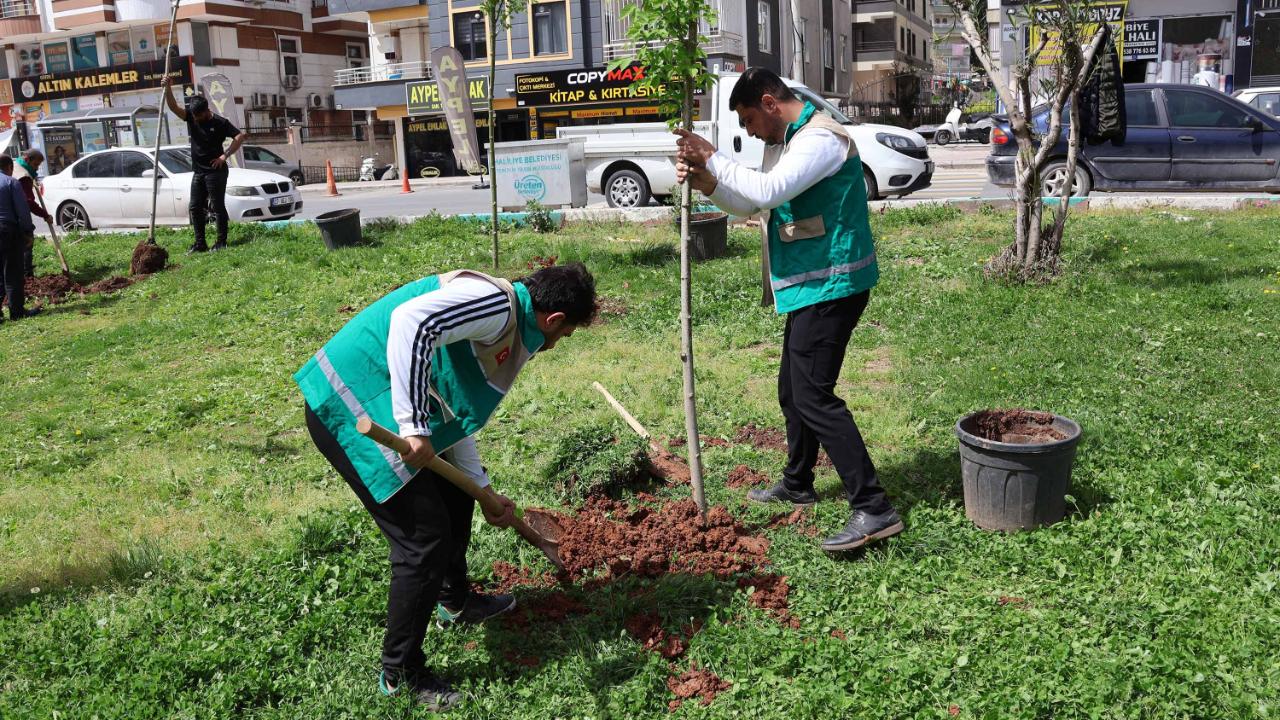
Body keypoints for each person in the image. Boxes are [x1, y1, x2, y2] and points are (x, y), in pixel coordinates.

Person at [295, 263, 597, 711]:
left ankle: (455, 603)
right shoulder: (495, 306)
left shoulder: (503, 317)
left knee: (457, 497)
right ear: (553, 321)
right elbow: (410, 322)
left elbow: (454, 412)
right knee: (424, 541)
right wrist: (413, 424)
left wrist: (482, 488)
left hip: (379, 402)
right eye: (563, 335)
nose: (554, 345)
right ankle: (401, 674)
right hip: (349, 406)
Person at [675, 67, 903, 553]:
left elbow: (765, 192)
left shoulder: (819, 139)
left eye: (750, 119)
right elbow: (752, 202)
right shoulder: (789, 140)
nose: (750, 131)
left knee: (814, 396)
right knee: (792, 391)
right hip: (809, 286)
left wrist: (712, 155)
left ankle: (875, 508)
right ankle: (798, 483)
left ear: (770, 103)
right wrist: (707, 181)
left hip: (833, 284)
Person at [161, 76, 248, 253]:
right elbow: (173, 107)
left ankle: (221, 242)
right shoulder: (193, 118)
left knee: (217, 207)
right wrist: (168, 88)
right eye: (193, 116)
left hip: (216, 172)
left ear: (206, 111)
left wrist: (224, 156)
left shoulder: (220, 122)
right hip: (198, 172)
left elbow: (239, 137)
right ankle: (200, 244)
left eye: (197, 116)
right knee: (195, 206)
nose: (195, 119)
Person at [0, 154, 37, 323]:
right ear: (9, 167)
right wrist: (28, 232)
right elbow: (23, 211)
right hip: (7, 231)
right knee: (13, 273)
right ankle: (16, 311)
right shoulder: (11, 182)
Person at [13, 149, 53, 278]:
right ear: (27, 160)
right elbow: (28, 202)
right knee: (26, 245)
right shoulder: (24, 176)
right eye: (36, 165)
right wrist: (45, 215)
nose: (36, 168)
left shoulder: (14, 166)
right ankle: (27, 277)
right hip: (19, 218)